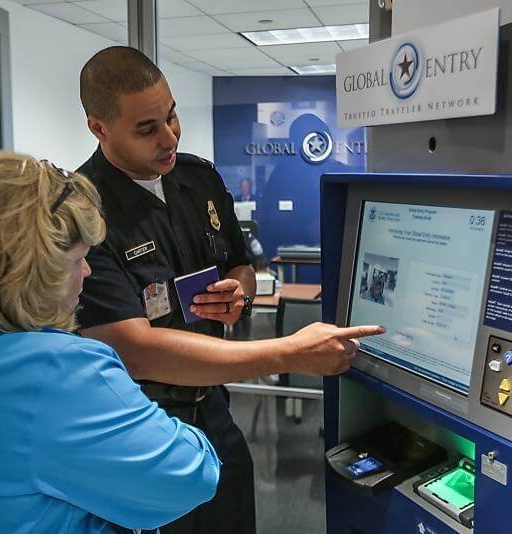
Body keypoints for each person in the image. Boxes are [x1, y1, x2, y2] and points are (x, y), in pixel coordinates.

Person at [75, 46, 384, 534]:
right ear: (99, 128)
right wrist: (286, 353)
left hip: (212, 406)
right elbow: (135, 350)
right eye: (147, 128)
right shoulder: (83, 211)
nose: (169, 136)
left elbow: (239, 263)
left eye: (172, 117)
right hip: (136, 421)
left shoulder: (197, 179)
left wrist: (236, 294)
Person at [0, 152, 221, 533]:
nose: (87, 270)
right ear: (36, 269)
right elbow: (192, 476)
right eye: (79, 257)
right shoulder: (54, 369)